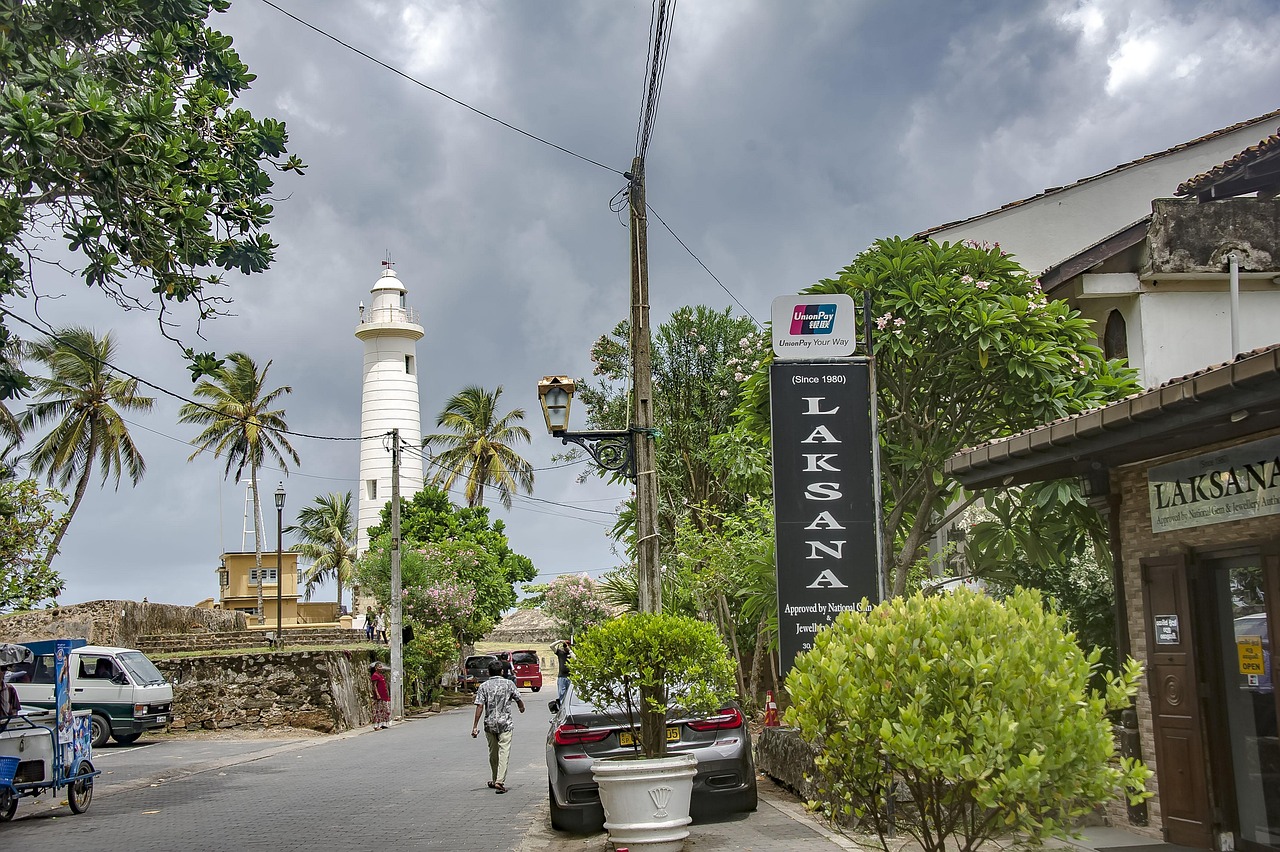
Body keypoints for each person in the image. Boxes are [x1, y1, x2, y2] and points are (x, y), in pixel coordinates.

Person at [471, 658, 525, 793]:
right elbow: (518, 699)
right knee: (504, 751)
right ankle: (499, 781)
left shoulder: (484, 686)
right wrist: (521, 708)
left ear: (489, 672)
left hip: (489, 724)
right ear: (502, 671)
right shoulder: (509, 684)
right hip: (505, 723)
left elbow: (479, 706)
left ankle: (495, 779)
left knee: (493, 753)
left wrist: (475, 726)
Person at [369, 662, 390, 730]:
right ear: (376, 668)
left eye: (381, 667)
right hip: (379, 696)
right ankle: (376, 725)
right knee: (378, 710)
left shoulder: (381, 675)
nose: (381, 668)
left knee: (384, 710)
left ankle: (382, 724)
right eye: (379, 667)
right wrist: (377, 694)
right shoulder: (375, 675)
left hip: (384, 695)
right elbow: (374, 686)